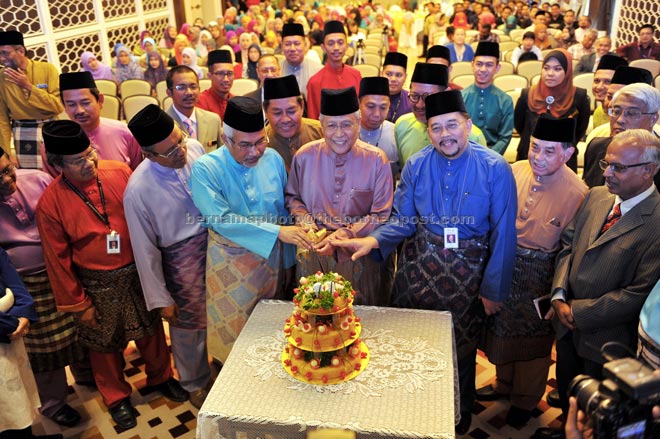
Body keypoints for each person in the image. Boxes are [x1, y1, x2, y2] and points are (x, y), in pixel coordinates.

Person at [332, 90, 517, 435]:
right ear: (428, 130)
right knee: (410, 341)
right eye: (436, 128)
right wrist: (373, 239)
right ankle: (409, 410)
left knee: (459, 350)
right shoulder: (417, 164)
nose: (445, 135)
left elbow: (504, 233)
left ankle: (454, 417)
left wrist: (494, 289)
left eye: (452, 125)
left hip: (469, 274)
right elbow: (403, 220)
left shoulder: (495, 168)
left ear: (468, 124)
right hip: (418, 268)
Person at [36, 120, 188, 430]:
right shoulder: (50, 203)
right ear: (57, 165)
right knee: (104, 346)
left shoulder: (118, 171)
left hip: (136, 271)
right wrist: (79, 304)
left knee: (151, 332)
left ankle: (161, 377)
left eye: (90, 154)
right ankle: (116, 397)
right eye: (78, 161)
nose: (89, 163)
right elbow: (57, 259)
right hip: (96, 283)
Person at [532, 129, 660, 439]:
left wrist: (579, 313)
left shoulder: (656, 220)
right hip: (565, 325)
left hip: (605, 338)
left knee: (599, 410)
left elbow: (637, 293)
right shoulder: (596, 195)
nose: (607, 173)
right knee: (569, 389)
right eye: (606, 163)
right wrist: (559, 295)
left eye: (618, 167)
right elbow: (568, 244)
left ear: (649, 170)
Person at [477, 118, 588, 428]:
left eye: (548, 151)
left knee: (533, 343)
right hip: (504, 264)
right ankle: (503, 384)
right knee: (499, 330)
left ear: (568, 154)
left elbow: (572, 252)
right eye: (534, 148)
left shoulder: (580, 193)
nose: (538, 157)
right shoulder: (514, 170)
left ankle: (525, 400)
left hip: (542, 276)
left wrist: (558, 292)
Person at [190, 96, 313, 363]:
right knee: (233, 336)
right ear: (226, 139)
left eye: (260, 141)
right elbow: (220, 219)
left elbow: (282, 207)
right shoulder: (206, 168)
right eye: (245, 145)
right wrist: (278, 233)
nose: (255, 152)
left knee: (270, 330)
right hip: (231, 268)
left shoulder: (273, 158)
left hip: (273, 263)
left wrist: (292, 254)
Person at [124, 104, 211, 410]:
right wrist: (161, 298)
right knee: (189, 327)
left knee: (225, 312)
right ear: (148, 155)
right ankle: (193, 382)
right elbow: (144, 251)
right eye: (170, 151)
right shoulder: (138, 190)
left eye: (180, 141)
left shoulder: (196, 148)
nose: (180, 152)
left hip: (216, 248)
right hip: (180, 263)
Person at [1, 147, 87, 429]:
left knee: (81, 329)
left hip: (62, 270)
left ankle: (87, 376)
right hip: (24, 285)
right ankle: (54, 403)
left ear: (12, 161)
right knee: (41, 350)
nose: (4, 180)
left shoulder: (37, 178)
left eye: (6, 170)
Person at [285, 87, 394, 306]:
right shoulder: (304, 156)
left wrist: (342, 236)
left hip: (358, 255)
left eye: (346, 125)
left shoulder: (376, 160)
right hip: (314, 252)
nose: (339, 134)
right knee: (315, 320)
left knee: (361, 321)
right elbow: (293, 198)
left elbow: (380, 214)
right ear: (321, 124)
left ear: (358, 122)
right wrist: (307, 223)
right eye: (331, 125)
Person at [0, 249, 62, 439]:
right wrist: (10, 324)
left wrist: (24, 313)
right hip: (6, 326)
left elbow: (9, 273)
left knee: (17, 396)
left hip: (10, 326)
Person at [42, 72, 143, 176]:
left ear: (100, 100)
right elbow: (54, 184)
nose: (79, 110)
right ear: (64, 105)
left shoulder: (125, 133)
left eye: (85, 103)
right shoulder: (53, 143)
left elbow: (138, 175)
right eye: (71, 104)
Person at [395, 62, 486, 167]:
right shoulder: (402, 125)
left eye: (428, 98)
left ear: (445, 93)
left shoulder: (473, 136)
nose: (420, 105)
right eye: (414, 96)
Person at [514, 49, 590, 171]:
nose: (550, 73)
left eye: (557, 69)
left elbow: (580, 130)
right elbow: (520, 125)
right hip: (529, 157)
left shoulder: (579, 96)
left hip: (563, 161)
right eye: (546, 68)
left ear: (567, 71)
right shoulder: (528, 94)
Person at [0, 30, 63, 170]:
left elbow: (57, 106)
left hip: (51, 129)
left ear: (21, 50)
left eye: (5, 53)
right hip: (23, 132)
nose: (1, 59)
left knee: (58, 172)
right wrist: (6, 153)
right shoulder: (1, 77)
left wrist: (28, 86)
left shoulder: (47, 69)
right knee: (33, 178)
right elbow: (2, 119)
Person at [582, 82, 659, 188]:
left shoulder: (657, 153)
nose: (620, 120)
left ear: (653, 119)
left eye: (631, 113)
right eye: (616, 111)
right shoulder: (596, 147)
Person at [461, 42, 514, 155]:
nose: (483, 69)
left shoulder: (505, 101)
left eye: (489, 65)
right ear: (472, 65)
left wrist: (489, 156)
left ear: (497, 68)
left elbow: (505, 137)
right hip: (463, 155)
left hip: (493, 157)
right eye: (479, 64)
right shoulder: (461, 97)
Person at [262, 75, 322, 172]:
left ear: (302, 106)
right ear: (265, 111)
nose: (285, 119)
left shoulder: (321, 133)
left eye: (291, 111)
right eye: (277, 113)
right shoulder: (261, 143)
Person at [306, 21, 362, 120]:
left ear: (347, 45)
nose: (336, 48)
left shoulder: (356, 75)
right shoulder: (314, 82)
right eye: (330, 43)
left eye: (340, 43)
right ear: (323, 47)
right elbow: (313, 121)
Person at [165, 65, 222, 153]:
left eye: (193, 87)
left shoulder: (213, 120)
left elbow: (223, 155)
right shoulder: (162, 125)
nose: (189, 92)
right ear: (169, 92)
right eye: (181, 87)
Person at [358, 76, 400, 177]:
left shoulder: (396, 133)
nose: (377, 114)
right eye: (371, 107)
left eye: (383, 108)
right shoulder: (346, 131)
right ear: (359, 103)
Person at [279, 23, 322, 102]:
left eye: (297, 44)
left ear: (305, 45)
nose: (292, 48)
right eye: (287, 44)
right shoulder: (276, 70)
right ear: (282, 46)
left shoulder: (318, 70)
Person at [587, 54, 628, 129]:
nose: (599, 87)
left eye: (608, 82)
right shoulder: (598, 112)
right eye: (596, 81)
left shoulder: (626, 116)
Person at [197, 49, 234, 119]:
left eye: (230, 73)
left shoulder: (237, 102)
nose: (226, 79)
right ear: (209, 76)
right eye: (220, 74)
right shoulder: (200, 101)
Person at [381, 52, 411, 123]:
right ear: (381, 74)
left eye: (398, 75)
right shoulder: (370, 97)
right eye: (388, 74)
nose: (393, 79)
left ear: (405, 77)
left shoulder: (411, 101)